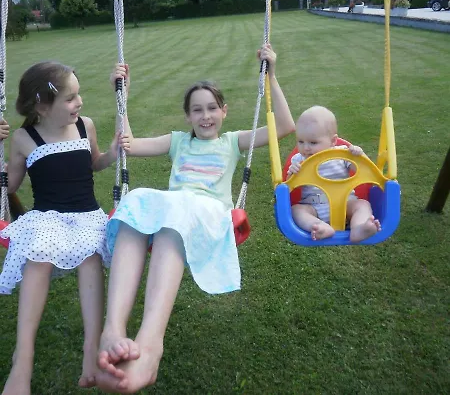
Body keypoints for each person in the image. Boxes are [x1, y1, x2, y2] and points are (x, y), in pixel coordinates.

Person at [95, 44, 295, 393]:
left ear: (224, 111)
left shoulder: (232, 142)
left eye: (212, 108)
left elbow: (286, 126)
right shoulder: (178, 142)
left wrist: (271, 76)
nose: (206, 116)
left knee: (175, 218)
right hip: (177, 209)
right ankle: (112, 329)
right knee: (134, 203)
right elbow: (129, 144)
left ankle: (150, 345)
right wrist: (121, 96)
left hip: (208, 215)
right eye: (197, 110)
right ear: (187, 116)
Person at [0, 61, 120, 395]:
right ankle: (23, 359)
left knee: (91, 256)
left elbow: (94, 162)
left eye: (78, 95)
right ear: (42, 106)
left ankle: (91, 347)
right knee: (38, 258)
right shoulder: (24, 138)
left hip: (87, 215)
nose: (79, 102)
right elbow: (10, 185)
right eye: (70, 98)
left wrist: (112, 154)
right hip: (46, 217)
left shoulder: (85, 125)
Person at [287, 105, 381, 242]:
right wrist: (292, 173)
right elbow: (288, 186)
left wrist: (359, 156)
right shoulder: (298, 160)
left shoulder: (343, 154)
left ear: (332, 141)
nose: (305, 148)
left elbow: (366, 170)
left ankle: (359, 228)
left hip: (346, 205)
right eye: (300, 141)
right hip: (314, 208)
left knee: (362, 204)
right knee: (296, 210)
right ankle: (319, 226)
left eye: (313, 142)